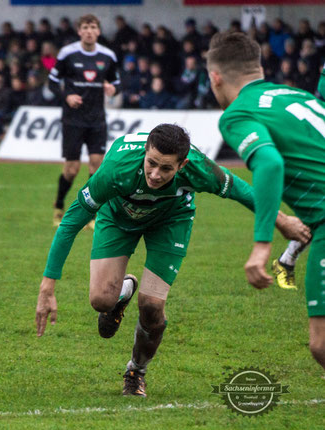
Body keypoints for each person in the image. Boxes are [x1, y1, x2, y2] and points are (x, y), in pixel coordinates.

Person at [35, 124, 308, 397]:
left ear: (183, 165)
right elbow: (70, 222)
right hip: (117, 217)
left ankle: (136, 371)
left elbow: (242, 191)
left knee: (152, 306)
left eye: (166, 168)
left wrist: (282, 221)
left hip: (170, 220)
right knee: (101, 301)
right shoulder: (116, 169)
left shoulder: (198, 168)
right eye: (151, 163)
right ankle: (123, 291)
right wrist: (47, 286)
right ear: (145, 152)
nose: (155, 174)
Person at [207, 31, 324, 371]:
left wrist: (262, 245)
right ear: (257, 67)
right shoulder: (297, 95)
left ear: (215, 78)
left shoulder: (236, 114)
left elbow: (270, 163)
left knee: (322, 344)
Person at [48, 14, 120, 228]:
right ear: (79, 31)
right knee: (72, 168)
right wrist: (66, 97)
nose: (89, 31)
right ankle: (59, 206)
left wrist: (113, 89)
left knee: (97, 166)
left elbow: (117, 82)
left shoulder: (108, 56)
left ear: (98, 31)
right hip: (73, 120)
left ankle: (91, 213)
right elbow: (52, 82)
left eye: (93, 27)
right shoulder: (68, 53)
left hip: (97, 119)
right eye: (85, 27)